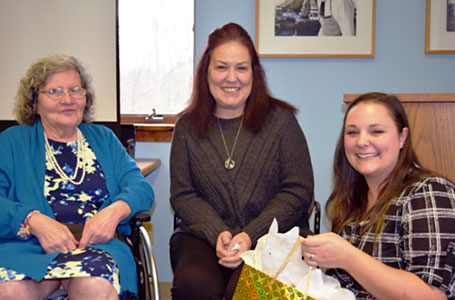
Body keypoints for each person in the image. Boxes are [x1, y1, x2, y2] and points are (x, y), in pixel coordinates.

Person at [169, 22, 314, 300]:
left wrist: (249, 235)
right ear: (206, 73)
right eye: (221, 67)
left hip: (273, 237)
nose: (231, 78)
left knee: (246, 291)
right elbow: (183, 195)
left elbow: (298, 191)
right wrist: (218, 233)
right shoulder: (186, 127)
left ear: (254, 73)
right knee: (195, 288)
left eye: (241, 68)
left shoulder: (281, 122)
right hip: (202, 237)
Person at [0, 54, 154, 299]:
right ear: (34, 101)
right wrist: (33, 221)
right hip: (29, 248)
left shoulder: (103, 138)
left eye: (75, 90)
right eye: (54, 91)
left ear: (86, 97)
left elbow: (139, 187)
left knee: (95, 288)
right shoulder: (12, 141)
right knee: (9, 291)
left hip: (96, 248)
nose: (67, 99)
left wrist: (113, 213)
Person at [301, 92, 455, 299]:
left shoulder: (429, 193)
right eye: (352, 132)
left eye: (376, 131)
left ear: (402, 137)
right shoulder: (352, 203)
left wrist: (347, 256)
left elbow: (432, 296)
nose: (362, 141)